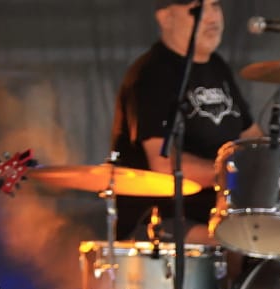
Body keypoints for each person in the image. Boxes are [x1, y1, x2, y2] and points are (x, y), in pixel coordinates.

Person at [110, 0, 260, 242]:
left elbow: (252, 137)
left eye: (216, 6)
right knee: (242, 241)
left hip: (222, 214)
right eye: (198, 9)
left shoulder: (217, 67)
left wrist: (278, 165)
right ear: (166, 18)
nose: (212, 18)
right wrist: (231, 175)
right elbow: (163, 163)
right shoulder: (151, 73)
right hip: (161, 221)